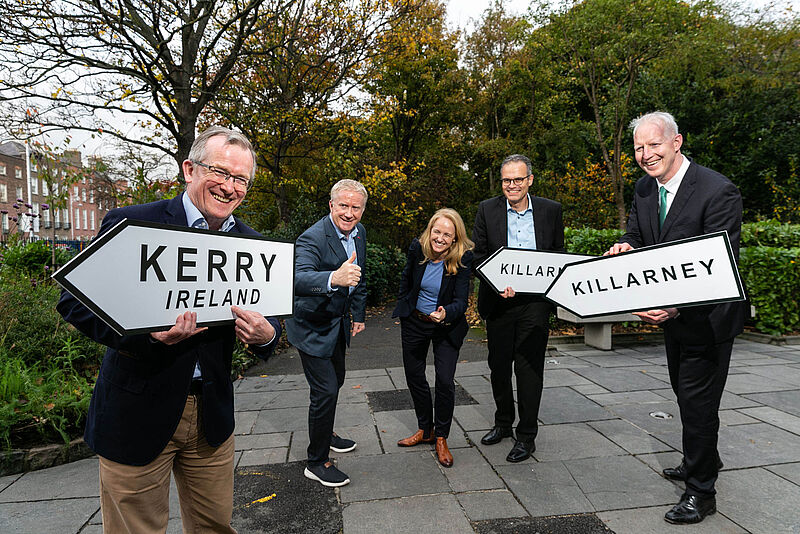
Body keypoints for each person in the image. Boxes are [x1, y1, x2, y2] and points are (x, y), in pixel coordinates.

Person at [57, 126, 282, 534]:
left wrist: (266, 335)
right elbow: (74, 302)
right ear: (189, 169)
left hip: (211, 418)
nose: (230, 187)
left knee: (215, 526)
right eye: (221, 172)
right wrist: (144, 336)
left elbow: (273, 322)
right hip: (137, 411)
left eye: (241, 179)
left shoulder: (253, 246)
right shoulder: (132, 223)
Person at [606, 111, 745, 524]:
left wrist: (677, 306)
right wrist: (624, 250)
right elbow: (637, 236)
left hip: (708, 320)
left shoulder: (718, 191)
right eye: (638, 148)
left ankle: (701, 492)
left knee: (699, 403)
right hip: (671, 319)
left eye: (654, 145)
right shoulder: (645, 190)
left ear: (677, 142)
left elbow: (720, 265)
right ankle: (702, 458)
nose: (646, 155)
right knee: (687, 397)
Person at [472, 154, 564, 463]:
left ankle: (526, 436)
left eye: (518, 179)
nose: (512, 185)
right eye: (506, 180)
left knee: (528, 369)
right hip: (499, 300)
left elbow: (557, 255)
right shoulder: (487, 210)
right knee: (498, 366)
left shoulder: (551, 211)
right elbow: (479, 256)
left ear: (530, 180)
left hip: (535, 303)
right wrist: (496, 281)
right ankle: (502, 423)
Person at [285, 179, 368, 487]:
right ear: (331, 205)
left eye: (355, 207)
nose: (349, 213)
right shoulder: (312, 237)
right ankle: (317, 461)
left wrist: (357, 314)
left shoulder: (359, 233)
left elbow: (360, 274)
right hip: (311, 326)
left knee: (337, 381)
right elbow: (298, 278)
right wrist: (334, 276)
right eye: (343, 205)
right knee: (326, 390)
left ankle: (326, 430)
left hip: (338, 324)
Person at [392, 208, 474, 467]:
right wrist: (405, 306)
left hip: (446, 326)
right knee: (415, 377)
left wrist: (445, 313)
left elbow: (462, 300)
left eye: (447, 234)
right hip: (415, 322)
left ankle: (441, 437)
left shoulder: (463, 258)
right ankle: (424, 430)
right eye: (436, 231)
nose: (440, 238)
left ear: (455, 238)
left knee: (445, 381)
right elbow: (407, 278)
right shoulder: (417, 248)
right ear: (430, 230)